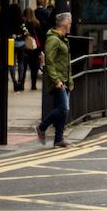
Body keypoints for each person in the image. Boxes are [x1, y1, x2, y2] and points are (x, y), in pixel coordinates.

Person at [35, 12, 74, 148]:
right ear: (65, 24)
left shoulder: (62, 39)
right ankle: (42, 127)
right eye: (70, 23)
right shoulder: (53, 39)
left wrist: (70, 80)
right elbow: (49, 61)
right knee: (63, 108)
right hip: (58, 79)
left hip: (65, 79)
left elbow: (66, 62)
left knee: (63, 110)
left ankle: (58, 139)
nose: (71, 25)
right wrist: (56, 80)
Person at [22, 7, 42, 91]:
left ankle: (21, 84)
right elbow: (40, 36)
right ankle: (33, 84)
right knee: (34, 67)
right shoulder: (37, 23)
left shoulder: (23, 23)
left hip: (25, 47)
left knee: (23, 66)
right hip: (35, 48)